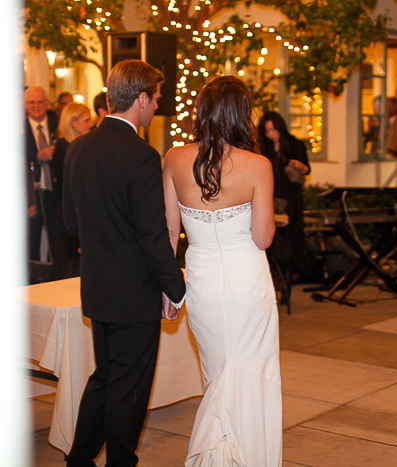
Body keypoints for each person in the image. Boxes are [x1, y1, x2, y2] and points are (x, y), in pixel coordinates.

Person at [63, 59, 186, 467]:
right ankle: (119, 462)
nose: (158, 106)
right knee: (129, 387)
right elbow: (152, 235)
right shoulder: (142, 155)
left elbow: (68, 222)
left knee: (105, 378)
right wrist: (176, 287)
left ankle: (78, 459)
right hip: (134, 294)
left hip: (97, 287)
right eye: (156, 99)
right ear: (140, 99)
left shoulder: (78, 147)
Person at [163, 76, 281, 466]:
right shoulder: (258, 165)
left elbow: (169, 232)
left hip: (203, 284)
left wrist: (167, 287)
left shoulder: (174, 159)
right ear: (241, 115)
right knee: (249, 375)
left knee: (218, 376)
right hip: (249, 285)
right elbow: (263, 238)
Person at [257, 111, 310, 289]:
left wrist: (300, 167)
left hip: (290, 199)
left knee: (291, 236)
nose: (271, 134)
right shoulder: (263, 147)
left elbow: (306, 169)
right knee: (270, 237)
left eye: (274, 130)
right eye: (267, 131)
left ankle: (290, 273)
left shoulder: (295, 145)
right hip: (269, 197)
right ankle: (273, 272)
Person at [51, 102, 92, 280]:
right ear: (72, 122)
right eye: (86, 120)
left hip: (81, 209)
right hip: (69, 209)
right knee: (69, 263)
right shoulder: (62, 147)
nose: (90, 124)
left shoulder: (82, 145)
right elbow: (65, 184)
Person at [24, 85, 58, 263]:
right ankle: (36, 280)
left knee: (57, 241)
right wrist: (37, 157)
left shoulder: (57, 124)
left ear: (47, 103)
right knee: (33, 242)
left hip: (55, 192)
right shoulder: (18, 130)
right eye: (31, 102)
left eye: (40, 101)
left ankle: (56, 278)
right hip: (33, 194)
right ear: (25, 104)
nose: (36, 105)